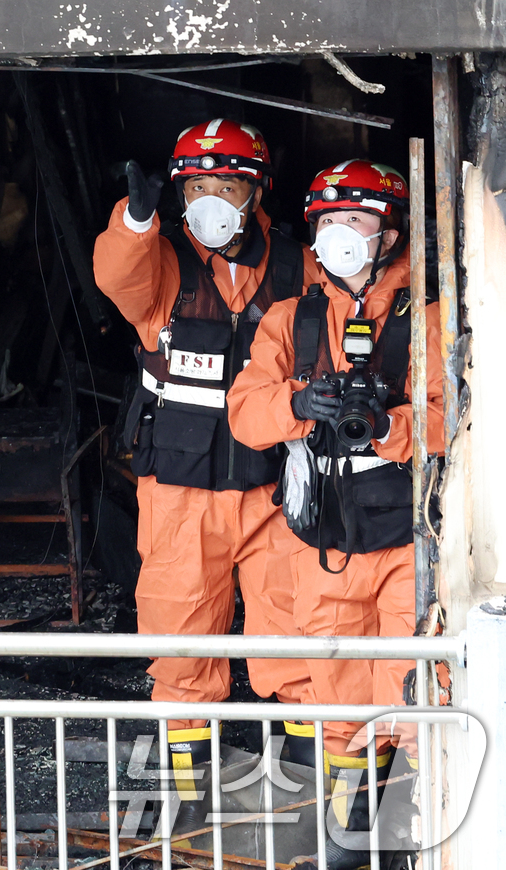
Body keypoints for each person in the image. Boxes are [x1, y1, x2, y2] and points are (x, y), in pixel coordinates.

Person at [93, 119, 320, 816]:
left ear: (257, 191)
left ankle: (307, 805)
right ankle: (190, 810)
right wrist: (135, 221)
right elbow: (116, 276)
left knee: (297, 635)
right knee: (181, 643)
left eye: (225, 184)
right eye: (195, 187)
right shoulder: (159, 263)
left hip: (277, 486)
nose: (209, 200)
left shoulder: (298, 266)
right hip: (180, 491)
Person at [227, 159, 441, 869]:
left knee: (414, 693)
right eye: (328, 220)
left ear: (390, 234)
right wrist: (296, 402)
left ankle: (422, 834)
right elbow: (244, 415)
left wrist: (388, 425)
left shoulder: (427, 318)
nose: (339, 234)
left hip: (409, 537)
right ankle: (350, 841)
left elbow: (456, 420)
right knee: (341, 700)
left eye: (356, 219)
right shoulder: (292, 320)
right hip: (324, 537)